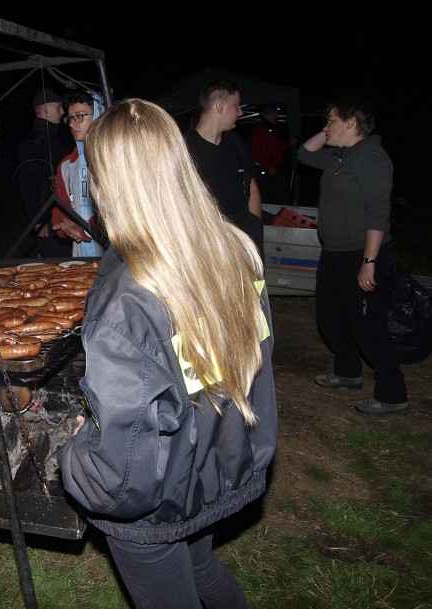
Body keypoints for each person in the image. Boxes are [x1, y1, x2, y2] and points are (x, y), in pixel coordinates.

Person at [58, 99, 277, 609]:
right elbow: (250, 366)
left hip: (155, 501)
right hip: (213, 463)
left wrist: (74, 457)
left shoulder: (125, 293)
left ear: (108, 180)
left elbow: (123, 468)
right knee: (201, 564)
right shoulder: (237, 248)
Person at [299, 97, 408, 415]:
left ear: (351, 122)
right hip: (334, 252)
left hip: (362, 254)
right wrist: (327, 130)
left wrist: (369, 263)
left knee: (367, 326)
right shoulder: (339, 157)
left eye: (331, 119)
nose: (326, 125)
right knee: (331, 317)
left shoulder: (371, 158)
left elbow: (378, 214)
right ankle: (347, 371)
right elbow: (305, 154)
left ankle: (392, 393)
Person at [184, 80, 264, 259]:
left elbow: (251, 185)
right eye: (236, 105)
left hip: (243, 239)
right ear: (219, 106)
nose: (240, 112)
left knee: (253, 286)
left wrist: (255, 229)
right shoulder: (184, 148)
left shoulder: (236, 143)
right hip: (207, 244)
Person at [15, 87, 73, 257]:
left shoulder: (55, 138)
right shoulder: (33, 142)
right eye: (58, 107)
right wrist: (39, 220)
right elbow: (29, 183)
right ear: (46, 109)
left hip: (63, 215)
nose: (63, 112)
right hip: (47, 219)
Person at [50, 89, 105, 257]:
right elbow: (60, 211)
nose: (73, 124)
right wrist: (65, 226)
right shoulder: (66, 165)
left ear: (97, 115)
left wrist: (86, 230)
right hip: (82, 253)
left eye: (80, 116)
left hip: (115, 256)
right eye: (70, 118)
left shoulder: (114, 159)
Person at [250, 104, 295, 207]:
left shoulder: (272, 129)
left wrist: (290, 143)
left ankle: (282, 218)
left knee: (281, 195)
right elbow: (256, 152)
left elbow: (276, 147)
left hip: (274, 168)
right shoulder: (260, 129)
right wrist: (268, 167)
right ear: (268, 114)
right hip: (264, 169)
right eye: (275, 113)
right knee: (262, 196)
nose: (277, 115)